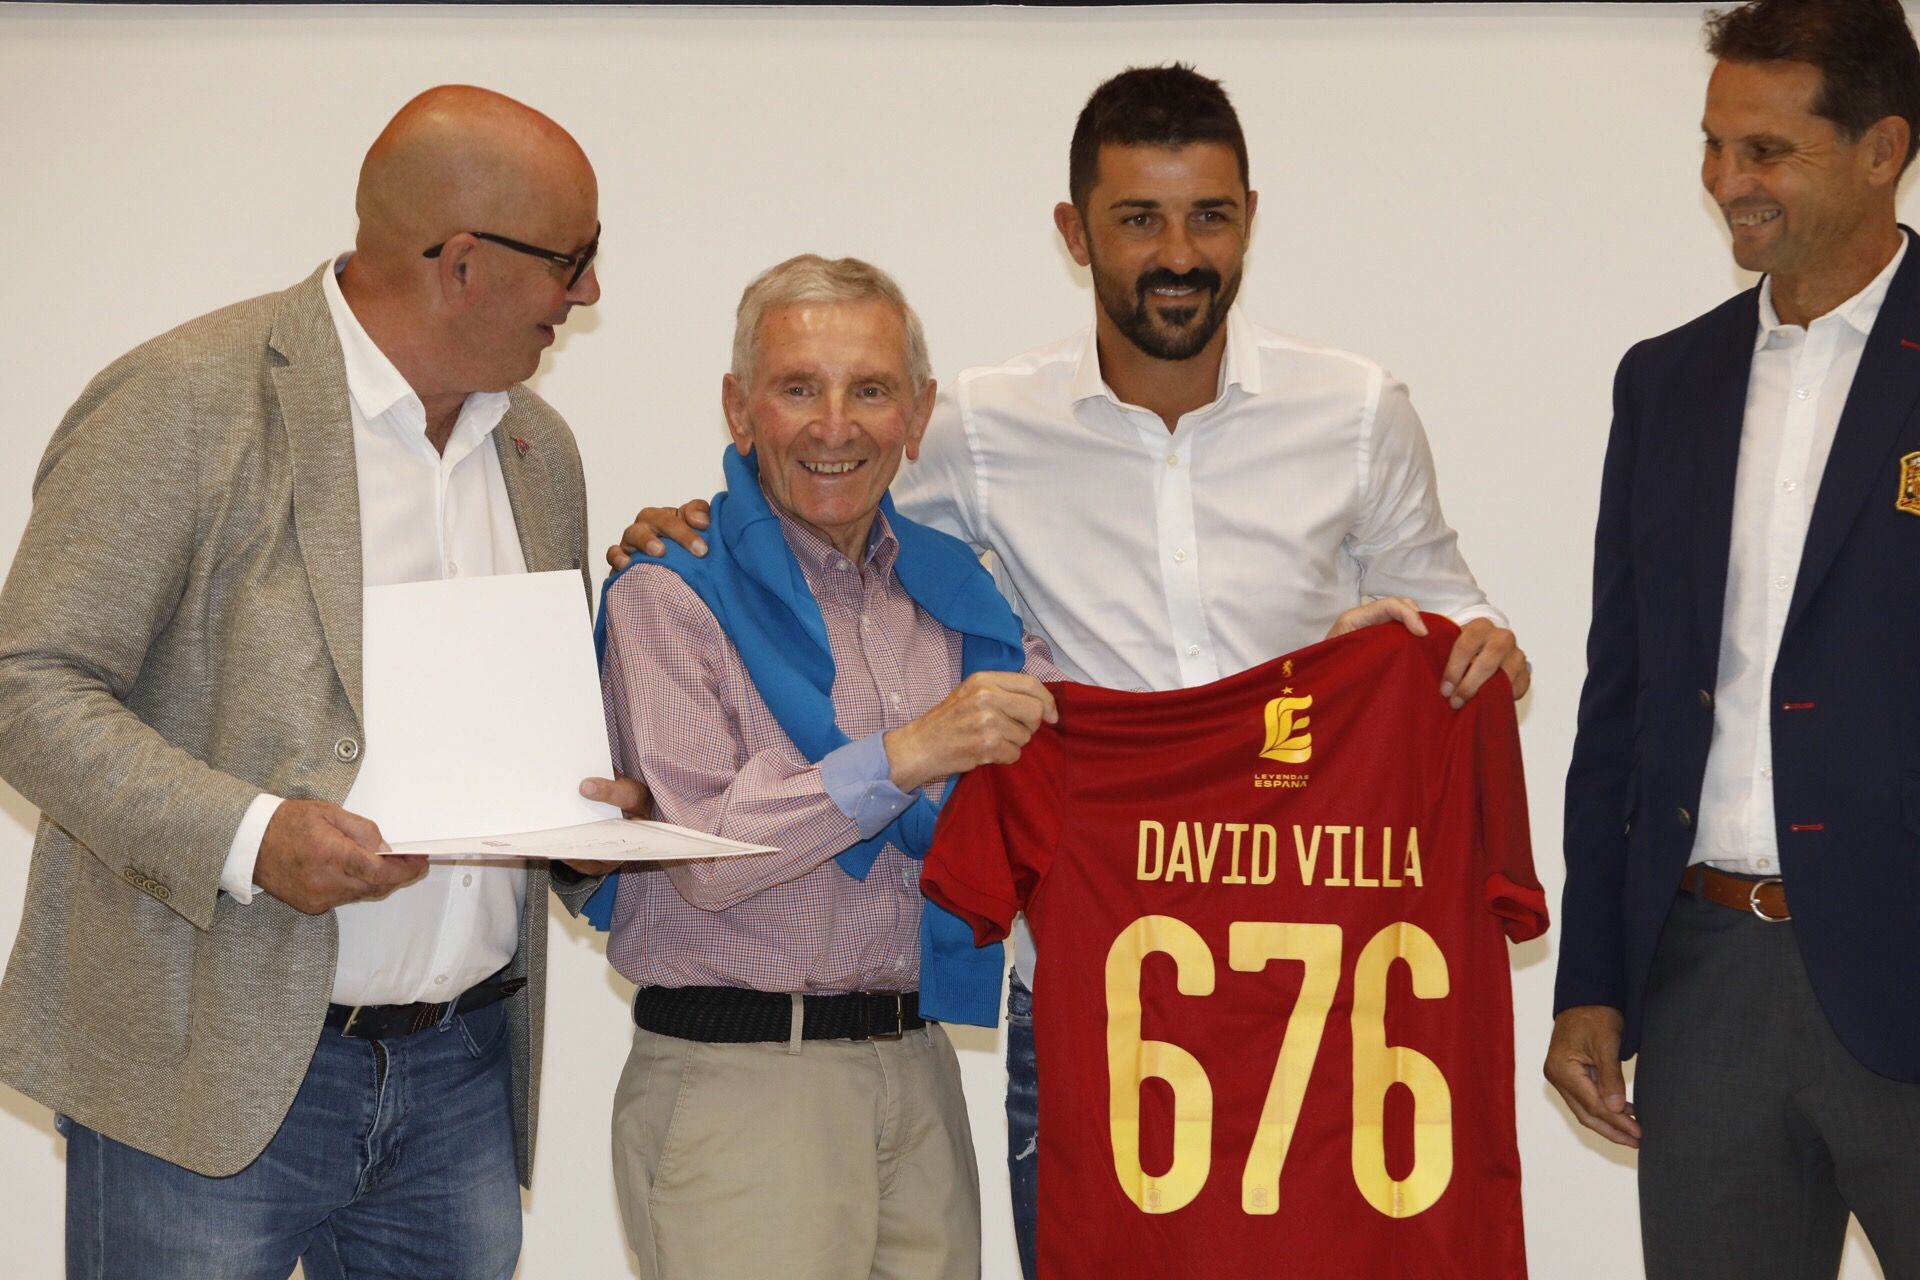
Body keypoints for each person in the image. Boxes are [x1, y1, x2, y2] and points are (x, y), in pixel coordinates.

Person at [612, 64, 1526, 1277]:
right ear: (1074, 232)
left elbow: (1450, 615)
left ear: (1249, 216)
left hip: (1325, 978)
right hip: (1100, 983)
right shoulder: (982, 426)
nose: (1177, 252)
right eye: (1138, 219)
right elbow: (819, 485)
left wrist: (1468, 648)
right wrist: (687, 518)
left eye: (1206, 215)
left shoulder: (1357, 409)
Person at [0, 85, 635, 1279]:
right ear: (458, 262)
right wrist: (251, 835)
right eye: (573, 258)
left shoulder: (542, 453)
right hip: (204, 1070)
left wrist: (587, 827)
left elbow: (502, 735)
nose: (588, 292)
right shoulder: (187, 398)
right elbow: (26, 683)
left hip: (459, 1075)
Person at [595, 253, 1064, 1279]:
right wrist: (911, 752)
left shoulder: (959, 601)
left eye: (871, 389)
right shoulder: (671, 593)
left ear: (920, 411)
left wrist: (1336, 664)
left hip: (918, 1068)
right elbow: (707, 855)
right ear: (738, 405)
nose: (835, 423)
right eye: (798, 386)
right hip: (744, 1083)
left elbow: (1106, 743)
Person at [1546, 2, 1920, 1275]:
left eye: (1766, 151)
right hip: (1705, 982)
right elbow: (1621, 699)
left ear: (1883, 149)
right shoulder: (1667, 381)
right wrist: (1590, 973)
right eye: (1713, 146)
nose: (1726, 183)